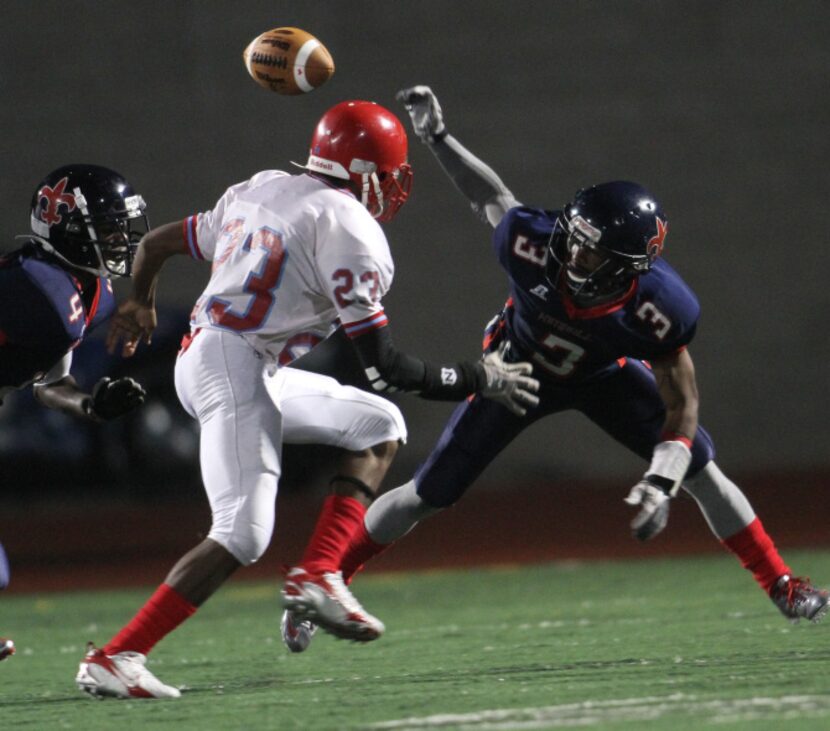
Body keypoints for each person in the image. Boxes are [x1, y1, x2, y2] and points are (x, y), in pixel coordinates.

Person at [280, 86, 828, 652]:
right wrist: (438, 139)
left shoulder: (662, 308)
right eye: (573, 237)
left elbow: (681, 406)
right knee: (427, 495)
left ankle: (782, 583)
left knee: (703, 474)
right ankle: (327, 578)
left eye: (591, 252)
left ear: (627, 269)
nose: (572, 253)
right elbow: (489, 198)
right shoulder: (534, 244)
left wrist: (660, 482)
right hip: (515, 373)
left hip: (601, 377)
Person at [76, 99, 540, 699]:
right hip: (233, 364)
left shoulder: (264, 187)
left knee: (378, 427)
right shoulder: (352, 230)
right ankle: (117, 655)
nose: (396, 189)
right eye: (392, 176)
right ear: (371, 174)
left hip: (229, 359)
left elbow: (157, 244)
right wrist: (478, 378)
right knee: (242, 532)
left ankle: (320, 571)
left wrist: (139, 299)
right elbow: (384, 366)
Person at [0, 164, 149, 590]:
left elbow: (48, 384)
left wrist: (91, 405)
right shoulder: (33, 286)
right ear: (65, 230)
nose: (121, 238)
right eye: (107, 228)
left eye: (121, 226)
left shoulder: (92, 297)